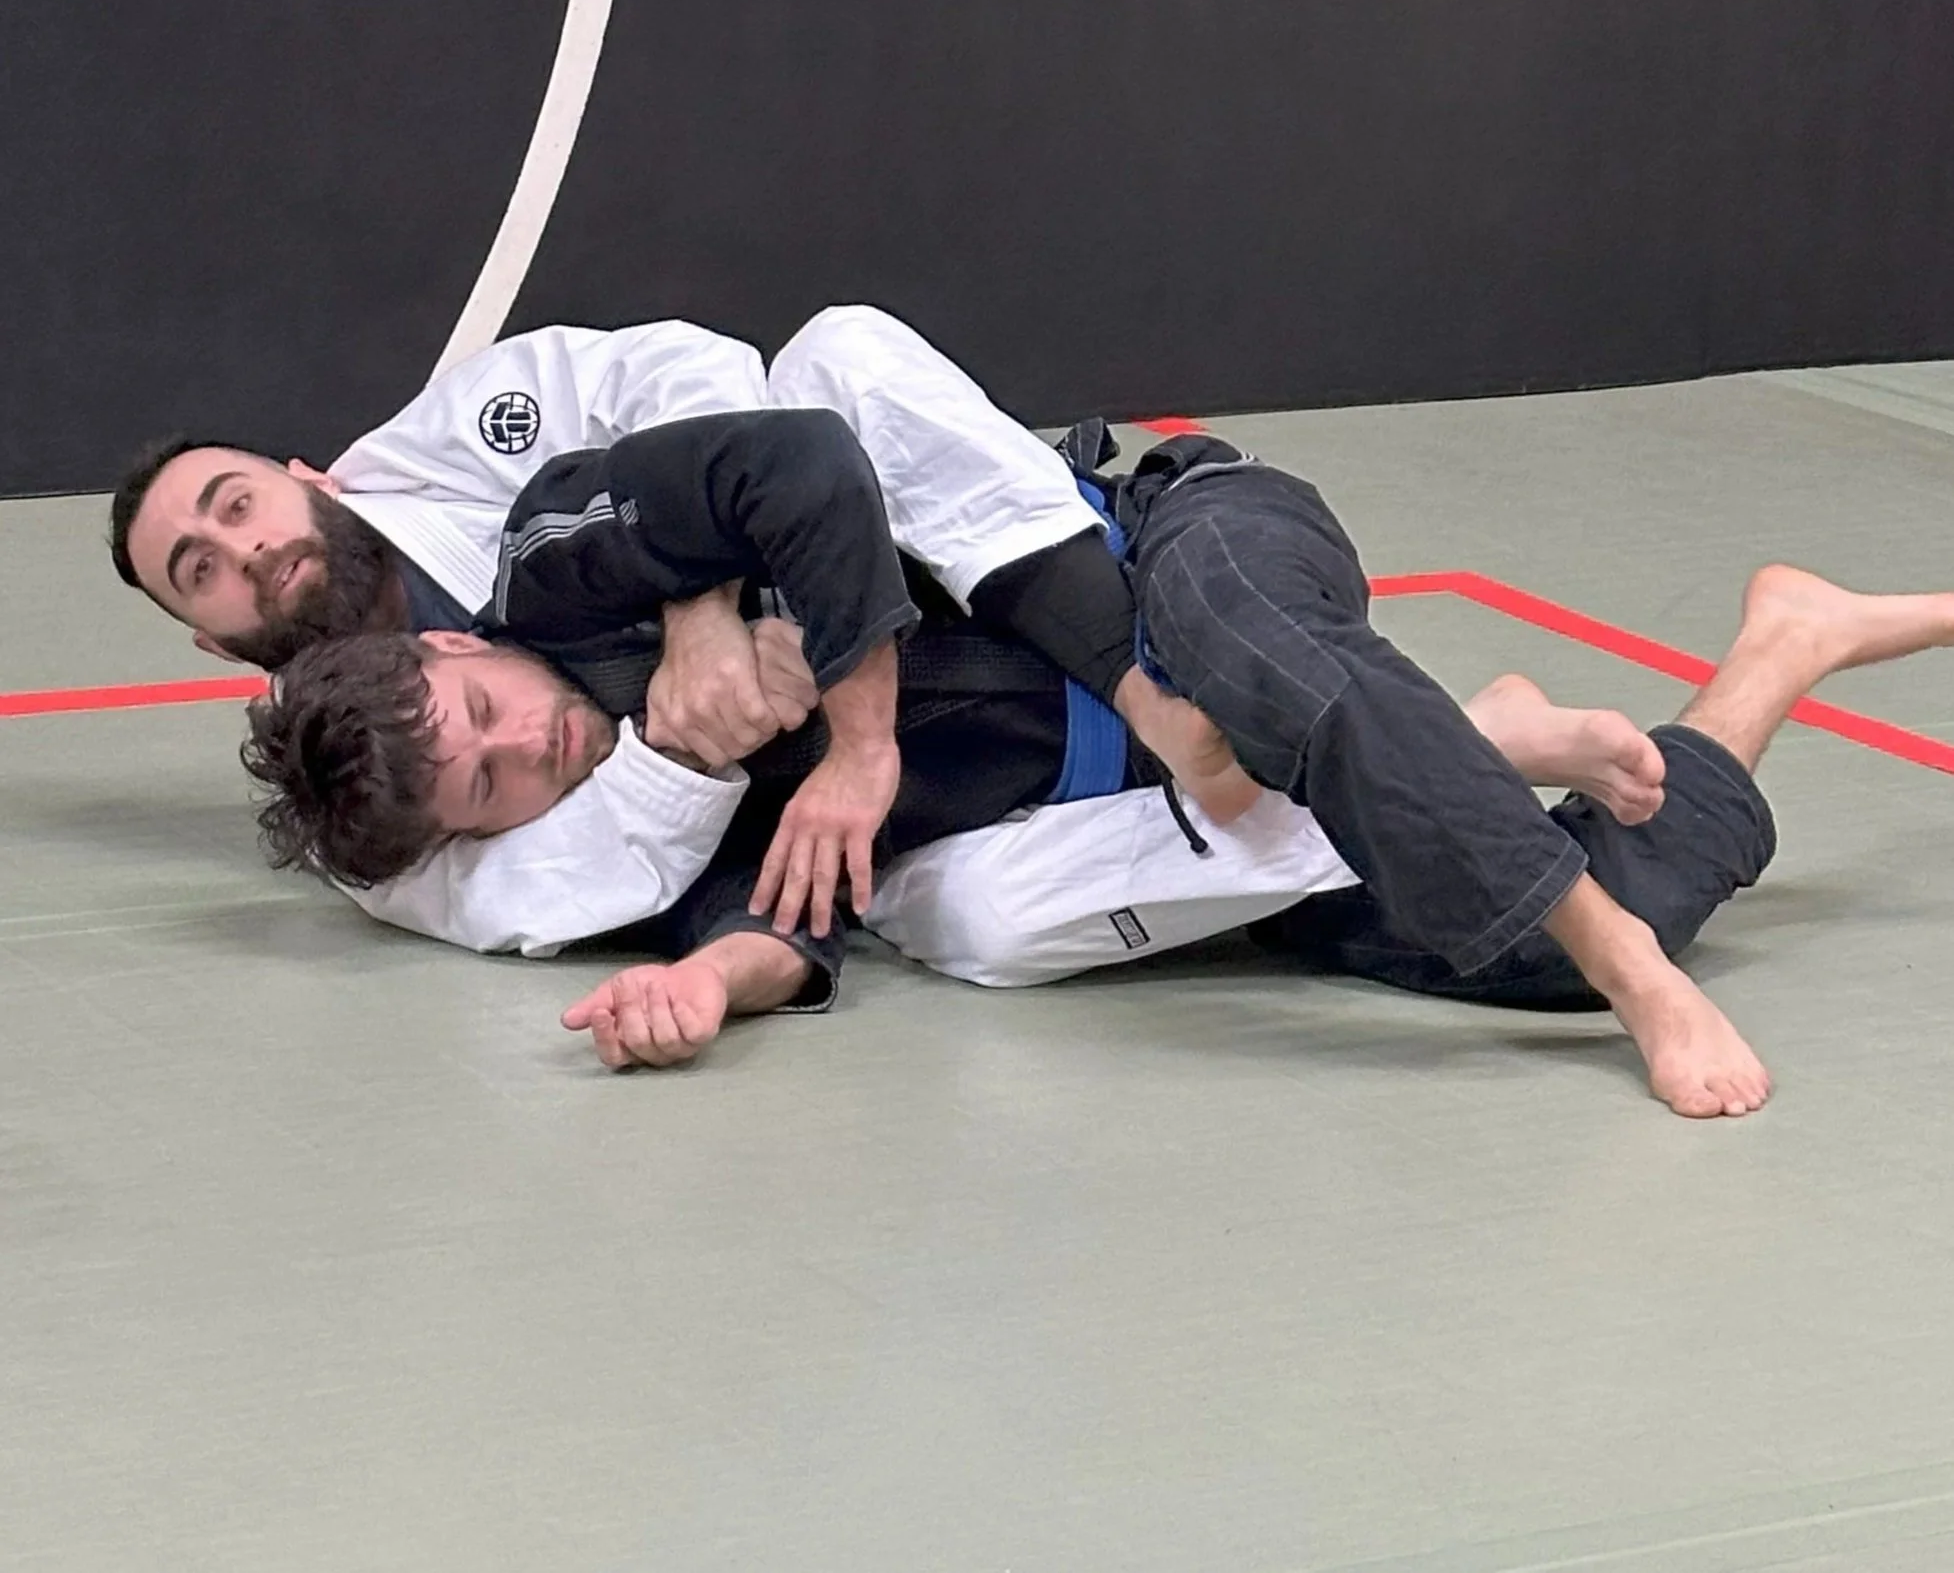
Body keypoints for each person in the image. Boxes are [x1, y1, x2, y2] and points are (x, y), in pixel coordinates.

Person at [241, 388, 1954, 1119]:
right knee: (1538, 952)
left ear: (458, 643)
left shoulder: (578, 560)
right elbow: (789, 915)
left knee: (1250, 657)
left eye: (483, 713)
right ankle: (1777, 644)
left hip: (1169, 547)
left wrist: (826, 710)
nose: (526, 745)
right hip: (1176, 824)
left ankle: (1592, 907)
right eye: (490, 784)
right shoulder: (629, 826)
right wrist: (714, 992)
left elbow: (801, 453)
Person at [108, 306, 1247, 949]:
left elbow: (705, 374)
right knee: (968, 926)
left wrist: (694, 603)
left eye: (237, 503)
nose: (247, 551)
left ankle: (1109, 584)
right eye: (198, 568)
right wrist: (680, 749)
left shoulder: (456, 438)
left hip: (840, 572)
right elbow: (543, 889)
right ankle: (1275, 833)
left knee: (834, 358)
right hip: (813, 794)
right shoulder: (349, 794)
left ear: (305, 476)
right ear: (212, 643)